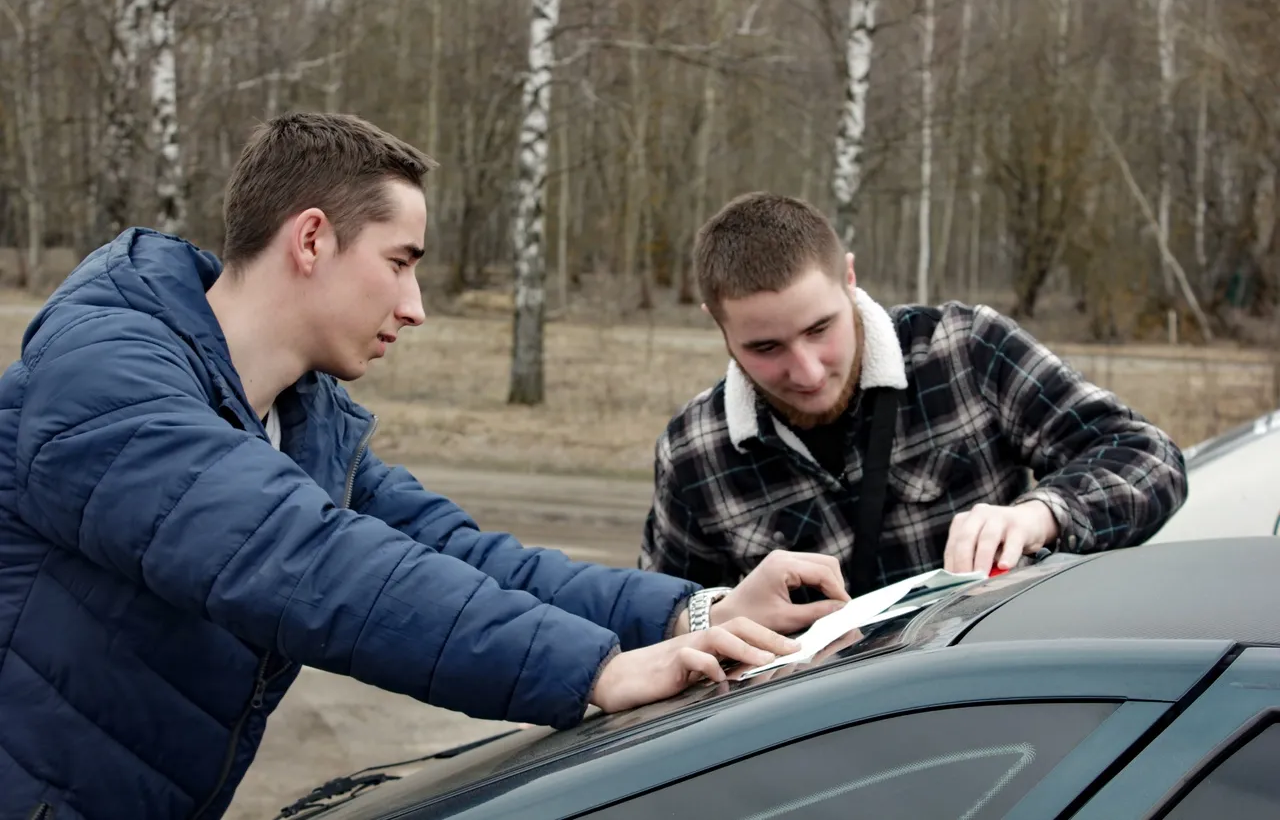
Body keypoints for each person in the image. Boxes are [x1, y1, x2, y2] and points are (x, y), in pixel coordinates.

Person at [0, 115, 851, 820]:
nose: (415, 307)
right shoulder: (106, 376)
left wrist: (693, 611)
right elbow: (304, 561)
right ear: (311, 238)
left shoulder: (301, 423)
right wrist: (593, 670)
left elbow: (460, 556)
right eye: (400, 262)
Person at [639, 191, 1188, 594]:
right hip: (822, 717)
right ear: (718, 323)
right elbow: (666, 628)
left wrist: (1040, 515)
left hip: (1004, 694)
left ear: (849, 278)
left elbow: (1149, 457)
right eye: (766, 347)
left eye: (820, 329)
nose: (806, 372)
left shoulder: (965, 349)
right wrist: (721, 622)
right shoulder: (694, 451)